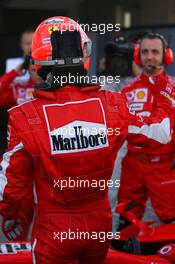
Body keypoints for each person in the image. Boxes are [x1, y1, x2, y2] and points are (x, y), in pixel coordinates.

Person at [0, 17, 173, 264]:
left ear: (38, 60)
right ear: (85, 54)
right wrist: (167, 97)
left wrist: (12, 217)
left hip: (54, 232)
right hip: (98, 228)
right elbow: (161, 133)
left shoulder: (22, 116)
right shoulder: (113, 103)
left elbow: (10, 191)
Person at [117, 32, 175, 230]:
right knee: (126, 220)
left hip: (165, 165)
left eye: (155, 52)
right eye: (145, 52)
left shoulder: (174, 87)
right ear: (137, 55)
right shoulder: (127, 91)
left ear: (166, 56)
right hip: (133, 164)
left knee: (171, 220)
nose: (150, 57)